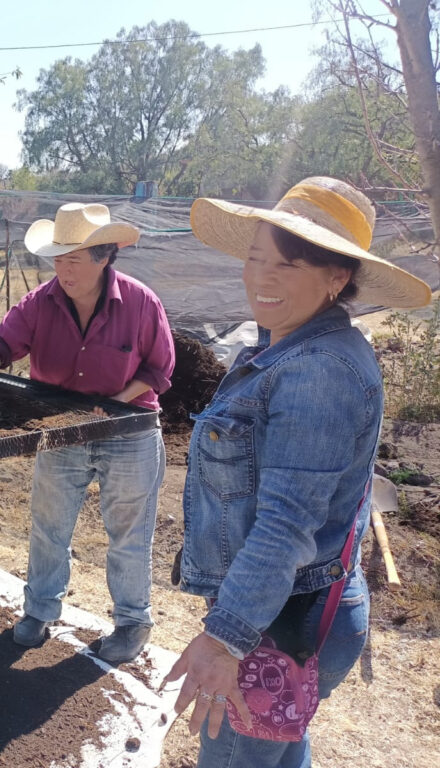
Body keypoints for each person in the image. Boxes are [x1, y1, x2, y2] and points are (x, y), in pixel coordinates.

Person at [165, 176, 432, 767]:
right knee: (279, 751)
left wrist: (225, 638)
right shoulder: (287, 348)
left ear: (336, 279)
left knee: (233, 754)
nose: (262, 277)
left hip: (277, 623)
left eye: (287, 266)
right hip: (290, 609)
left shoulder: (318, 371)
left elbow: (286, 524)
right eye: (257, 258)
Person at [0, 202, 175, 663]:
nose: (62, 268)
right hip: (59, 428)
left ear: (104, 257)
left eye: (73, 258)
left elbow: (159, 368)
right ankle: (40, 610)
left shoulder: (140, 302)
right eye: (58, 258)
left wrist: (112, 405)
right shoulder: (41, 302)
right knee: (49, 526)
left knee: (128, 534)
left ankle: (132, 622)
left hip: (128, 429)